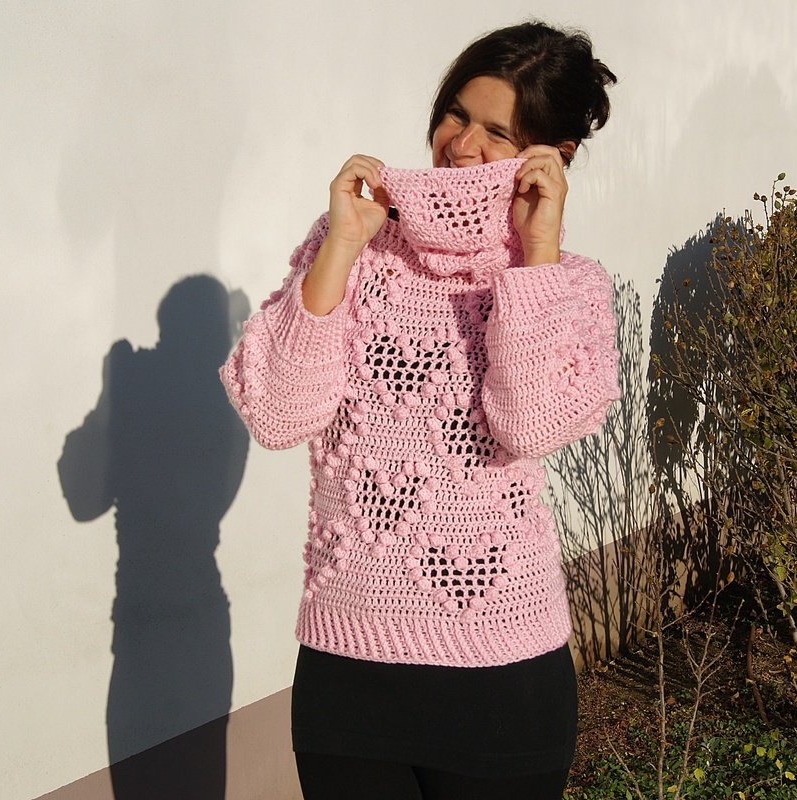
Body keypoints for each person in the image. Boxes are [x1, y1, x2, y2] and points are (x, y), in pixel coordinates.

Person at [221, 20, 619, 800]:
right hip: (349, 671)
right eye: (455, 114)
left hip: (504, 676)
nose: (461, 145)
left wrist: (536, 254)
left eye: (497, 132)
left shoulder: (567, 283)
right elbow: (276, 414)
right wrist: (341, 247)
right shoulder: (350, 246)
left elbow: (530, 424)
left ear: (554, 153)